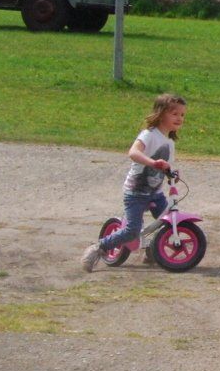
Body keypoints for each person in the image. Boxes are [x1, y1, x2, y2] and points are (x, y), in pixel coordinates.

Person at [80, 93, 186, 271]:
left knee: (169, 220)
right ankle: (98, 247)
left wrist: (171, 172)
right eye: (174, 114)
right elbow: (133, 153)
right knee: (132, 230)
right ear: (161, 114)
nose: (179, 118)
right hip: (136, 192)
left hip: (155, 193)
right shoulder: (149, 135)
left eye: (182, 115)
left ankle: (153, 249)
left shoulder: (169, 142)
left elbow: (165, 165)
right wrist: (152, 162)